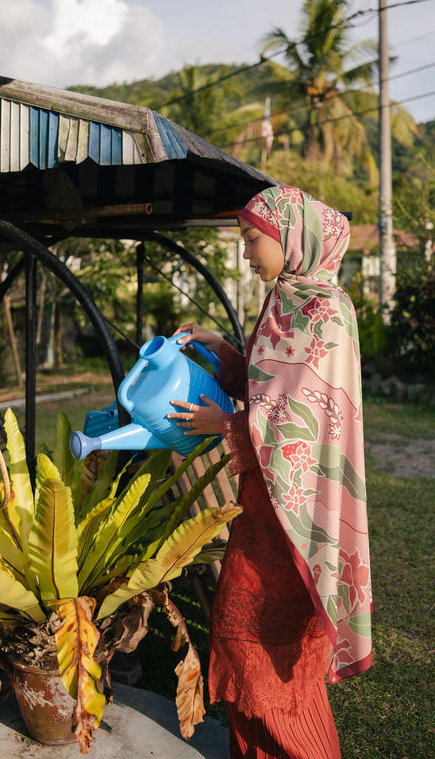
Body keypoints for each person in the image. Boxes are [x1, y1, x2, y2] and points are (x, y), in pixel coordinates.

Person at [168, 184, 372, 759]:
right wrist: (221, 349)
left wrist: (227, 426)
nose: (246, 254)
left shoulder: (328, 313)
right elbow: (269, 390)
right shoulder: (284, 301)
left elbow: (301, 425)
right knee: (241, 647)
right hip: (262, 509)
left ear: (293, 237)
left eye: (253, 240)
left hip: (298, 521)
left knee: (272, 661)